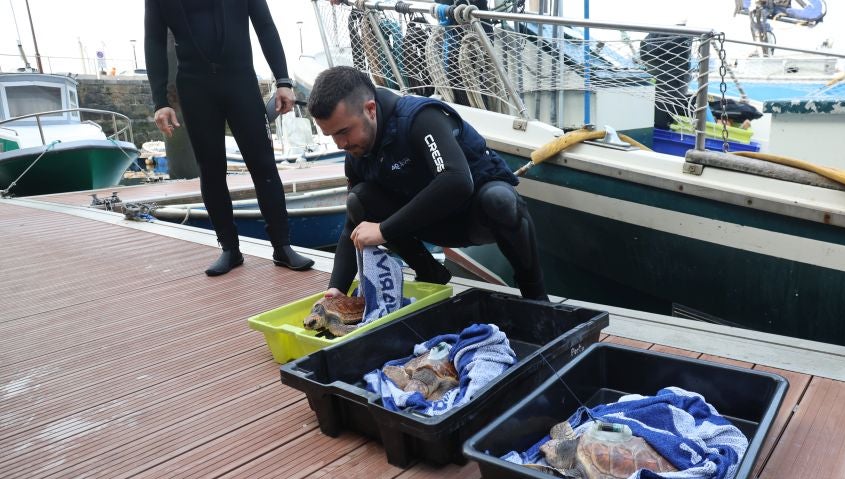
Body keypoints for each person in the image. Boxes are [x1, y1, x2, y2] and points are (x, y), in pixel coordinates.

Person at [306, 66, 547, 301]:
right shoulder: (357, 154)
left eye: (344, 131)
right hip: (429, 224)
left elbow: (457, 181)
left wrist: (383, 230)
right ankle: (431, 274)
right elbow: (354, 224)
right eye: (331, 136)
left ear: (370, 110)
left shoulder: (418, 118)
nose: (340, 144)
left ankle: (536, 296)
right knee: (358, 200)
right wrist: (335, 289)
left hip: (474, 216)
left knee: (501, 200)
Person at [144, 0, 314, 276]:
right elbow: (153, 39)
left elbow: (265, 25)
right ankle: (229, 249)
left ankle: (282, 247)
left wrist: (283, 80)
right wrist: (160, 101)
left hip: (240, 81)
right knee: (210, 170)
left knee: (263, 165)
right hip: (195, 86)